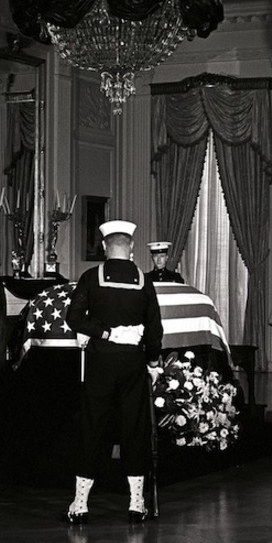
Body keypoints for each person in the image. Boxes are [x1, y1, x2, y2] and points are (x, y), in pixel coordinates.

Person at [64, 220, 164, 524]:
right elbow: (155, 328)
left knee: (92, 428)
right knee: (134, 430)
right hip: (133, 363)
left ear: (105, 248)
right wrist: (153, 363)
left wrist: (105, 333)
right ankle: (136, 504)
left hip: (100, 364)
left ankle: (80, 504)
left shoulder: (91, 277)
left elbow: (73, 317)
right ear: (131, 248)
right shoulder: (144, 281)